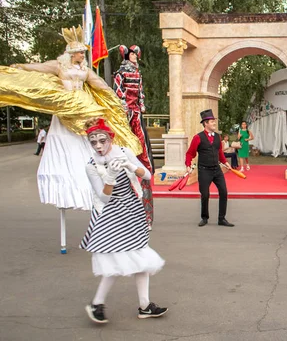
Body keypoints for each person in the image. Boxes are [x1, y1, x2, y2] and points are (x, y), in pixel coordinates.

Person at [0, 26, 140, 252]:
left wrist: (114, 98)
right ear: (70, 53)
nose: (82, 56)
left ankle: (94, 179)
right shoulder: (59, 65)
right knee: (71, 140)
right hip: (66, 108)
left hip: (81, 107)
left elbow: (99, 84)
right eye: (79, 52)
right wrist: (22, 66)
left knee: (93, 132)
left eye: (82, 53)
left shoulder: (84, 69)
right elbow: (40, 68)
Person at [81, 118, 167, 324]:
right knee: (115, 261)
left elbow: (146, 174)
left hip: (132, 211)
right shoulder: (91, 166)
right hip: (110, 216)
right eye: (93, 142)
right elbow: (104, 198)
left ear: (110, 138)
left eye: (102, 140)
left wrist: (129, 164)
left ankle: (145, 306)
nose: (98, 146)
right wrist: (109, 177)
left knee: (141, 258)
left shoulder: (124, 152)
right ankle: (97, 304)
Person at [113, 45, 155, 229]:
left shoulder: (138, 74)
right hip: (125, 110)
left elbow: (141, 90)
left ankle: (143, 158)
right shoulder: (120, 73)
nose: (134, 57)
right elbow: (118, 89)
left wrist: (142, 103)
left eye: (136, 54)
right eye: (132, 54)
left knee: (140, 136)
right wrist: (122, 102)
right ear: (127, 56)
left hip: (136, 110)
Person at [185, 109, 234, 227]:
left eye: (214, 121)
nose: (214, 123)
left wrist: (225, 162)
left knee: (224, 192)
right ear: (205, 123)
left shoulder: (218, 136)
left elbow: (219, 152)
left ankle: (222, 218)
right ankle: (204, 217)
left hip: (216, 169)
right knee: (205, 194)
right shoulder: (198, 137)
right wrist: (188, 165)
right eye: (212, 121)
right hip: (204, 170)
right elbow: (190, 153)